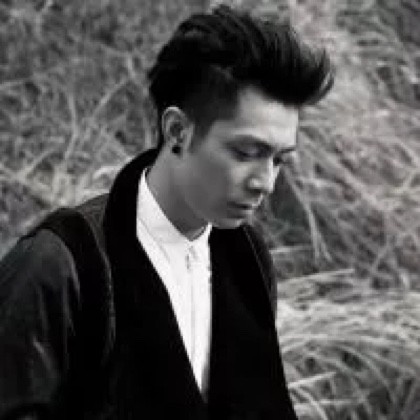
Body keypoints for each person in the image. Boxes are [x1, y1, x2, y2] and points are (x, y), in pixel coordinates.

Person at [0, 4, 334, 419]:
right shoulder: (60, 263)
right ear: (177, 130)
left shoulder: (248, 258)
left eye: (279, 159)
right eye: (247, 152)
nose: (265, 182)